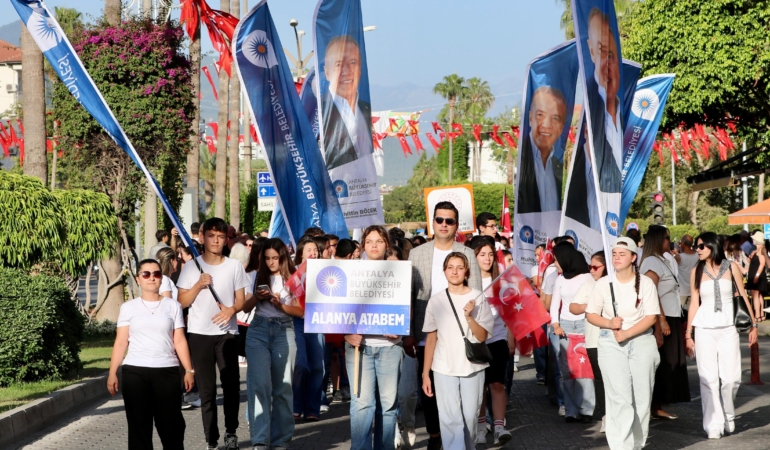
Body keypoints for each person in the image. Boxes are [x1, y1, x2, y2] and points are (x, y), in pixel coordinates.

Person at [406, 201, 482, 450]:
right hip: (424, 332)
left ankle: (459, 440)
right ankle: (435, 436)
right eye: (439, 219)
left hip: (459, 335)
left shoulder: (467, 253)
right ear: (433, 222)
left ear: (456, 225)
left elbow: (478, 295)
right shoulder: (417, 253)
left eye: (449, 221)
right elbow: (408, 296)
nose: (443, 225)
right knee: (428, 390)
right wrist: (407, 332)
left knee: (461, 399)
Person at [176, 218, 250, 450]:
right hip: (199, 334)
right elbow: (181, 301)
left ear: (226, 239)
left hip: (227, 333)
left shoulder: (234, 266)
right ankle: (211, 440)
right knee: (207, 391)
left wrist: (231, 310)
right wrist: (198, 285)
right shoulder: (191, 267)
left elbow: (241, 300)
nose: (216, 240)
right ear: (202, 237)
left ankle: (231, 432)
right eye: (211, 235)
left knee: (231, 386)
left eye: (220, 236)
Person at [107, 259, 195, 450]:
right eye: (146, 274)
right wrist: (113, 372)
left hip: (167, 371)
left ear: (161, 278)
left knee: (172, 427)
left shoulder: (173, 306)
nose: (151, 278)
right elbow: (121, 341)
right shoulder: (128, 308)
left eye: (156, 274)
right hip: (135, 372)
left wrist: (189, 369)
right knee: (139, 428)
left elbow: (179, 340)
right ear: (138, 278)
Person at [585, 237, 661, 449]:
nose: (617, 258)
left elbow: (651, 317)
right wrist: (609, 323)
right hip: (611, 344)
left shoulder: (645, 283)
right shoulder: (603, 284)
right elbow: (591, 314)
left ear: (633, 257)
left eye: (622, 254)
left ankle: (636, 444)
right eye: (614, 254)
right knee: (620, 398)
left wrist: (627, 333)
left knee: (642, 399)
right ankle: (621, 446)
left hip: (642, 341)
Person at [685, 232, 759, 439]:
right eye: (696, 247)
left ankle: (728, 413)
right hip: (704, 328)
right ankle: (713, 424)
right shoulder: (696, 271)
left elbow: (743, 296)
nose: (696, 250)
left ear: (712, 246)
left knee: (731, 378)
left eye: (700, 247)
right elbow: (694, 303)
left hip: (728, 327)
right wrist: (688, 333)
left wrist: (753, 325)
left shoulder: (732, 267)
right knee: (708, 379)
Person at [422, 252, 494, 449]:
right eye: (450, 267)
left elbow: (482, 336)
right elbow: (431, 338)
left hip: (473, 366)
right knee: (449, 421)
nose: (454, 271)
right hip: (443, 367)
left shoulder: (478, 297)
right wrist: (425, 373)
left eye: (459, 267)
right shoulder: (436, 300)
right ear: (444, 271)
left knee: (470, 419)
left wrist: (470, 316)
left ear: (466, 271)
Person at [345, 225, 403, 450]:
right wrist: (346, 333)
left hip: (390, 347)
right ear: (363, 245)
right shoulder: (352, 271)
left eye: (379, 241)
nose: (374, 246)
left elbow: (406, 307)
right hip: (360, 348)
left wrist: (401, 327)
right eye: (369, 241)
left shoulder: (398, 271)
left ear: (386, 244)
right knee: (361, 405)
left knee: (388, 406)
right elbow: (338, 309)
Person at [242, 238, 304, 450]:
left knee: (283, 388)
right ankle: (260, 440)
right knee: (260, 385)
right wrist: (258, 298)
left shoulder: (294, 278)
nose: (271, 262)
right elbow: (244, 308)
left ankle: (280, 440)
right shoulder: (255, 275)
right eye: (267, 258)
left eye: (275, 258)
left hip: (283, 330)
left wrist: (281, 305)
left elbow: (301, 311)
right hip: (258, 330)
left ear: (283, 257)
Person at [640, 226, 690, 420]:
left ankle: (658, 404)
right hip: (664, 317)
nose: (670, 242)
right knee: (663, 363)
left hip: (673, 315)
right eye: (667, 238)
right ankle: (655, 405)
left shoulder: (663, 259)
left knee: (669, 362)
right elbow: (651, 292)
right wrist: (661, 321)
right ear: (658, 240)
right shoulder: (651, 261)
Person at [472, 237, 513, 445]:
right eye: (482, 254)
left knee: (497, 384)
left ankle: (499, 427)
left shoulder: (502, 280)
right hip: (475, 342)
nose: (487, 259)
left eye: (490, 254)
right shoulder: (467, 280)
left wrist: (511, 338)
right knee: (479, 387)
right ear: (474, 256)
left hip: (497, 339)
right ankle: (480, 426)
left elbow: (511, 313)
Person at [550, 244, 595, 423]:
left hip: (585, 324)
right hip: (565, 326)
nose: (555, 263)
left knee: (584, 369)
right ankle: (570, 409)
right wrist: (555, 324)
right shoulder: (560, 279)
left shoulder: (587, 278)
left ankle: (587, 409)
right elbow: (555, 304)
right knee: (566, 369)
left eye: (556, 260)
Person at [321, 35, 373, 171]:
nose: (346, 71)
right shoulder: (318, 111)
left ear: (360, 69)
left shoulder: (366, 108)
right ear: (327, 72)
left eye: (353, 63)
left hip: (363, 186)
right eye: (338, 64)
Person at [585, 7, 622, 193]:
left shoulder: (627, 112)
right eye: (602, 53)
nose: (608, 65)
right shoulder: (589, 113)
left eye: (612, 56)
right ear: (591, 50)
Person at [569, 251, 607, 431]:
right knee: (599, 379)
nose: (591, 271)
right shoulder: (588, 284)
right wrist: (589, 305)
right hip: (593, 339)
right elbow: (573, 307)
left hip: (616, 338)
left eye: (595, 267)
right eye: (589, 266)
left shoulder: (614, 284)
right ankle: (606, 416)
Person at [517, 86, 567, 213]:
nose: (546, 125)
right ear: (530, 118)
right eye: (540, 115)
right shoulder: (521, 159)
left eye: (555, 118)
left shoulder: (557, 165)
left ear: (561, 128)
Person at [292, 236, 325, 421]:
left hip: (318, 321)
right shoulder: (293, 272)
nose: (313, 253)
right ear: (301, 253)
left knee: (317, 366)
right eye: (309, 250)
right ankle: (296, 405)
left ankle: (312, 408)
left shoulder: (324, 272)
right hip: (297, 321)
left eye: (315, 250)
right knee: (301, 364)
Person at [746, 231, 768, 320]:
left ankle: (757, 315)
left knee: (755, 295)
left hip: (756, 275)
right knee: (758, 295)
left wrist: (756, 276)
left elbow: (762, 263)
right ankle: (761, 314)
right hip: (756, 274)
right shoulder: (757, 250)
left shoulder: (761, 250)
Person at [677, 235, 700, 314]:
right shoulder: (698, 255)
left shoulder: (679, 257)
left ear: (682, 243)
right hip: (694, 289)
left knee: (679, 314)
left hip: (682, 291)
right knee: (693, 313)